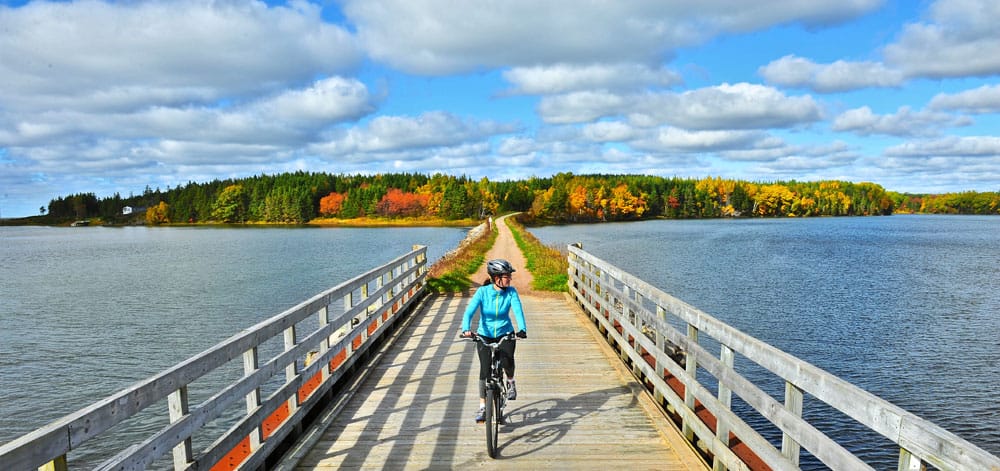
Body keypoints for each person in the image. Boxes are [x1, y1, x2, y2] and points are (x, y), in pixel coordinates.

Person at [460, 258, 528, 423]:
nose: (510, 279)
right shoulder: (482, 292)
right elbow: (469, 312)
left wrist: (522, 329)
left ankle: (511, 382)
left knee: (507, 361)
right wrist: (466, 329)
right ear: (496, 278)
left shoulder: (511, 292)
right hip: (484, 334)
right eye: (507, 276)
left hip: (505, 333)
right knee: (484, 370)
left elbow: (518, 310)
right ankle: (483, 407)